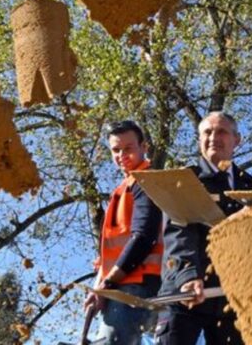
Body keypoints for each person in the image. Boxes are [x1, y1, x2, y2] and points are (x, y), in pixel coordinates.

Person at [155, 111, 252, 345]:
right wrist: (187, 275)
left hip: (231, 298)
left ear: (237, 140)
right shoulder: (183, 179)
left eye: (221, 132)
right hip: (185, 293)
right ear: (199, 140)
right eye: (207, 132)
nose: (214, 138)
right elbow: (180, 231)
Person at [84, 120, 166, 345]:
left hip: (138, 283)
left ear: (144, 147)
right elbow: (109, 254)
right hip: (121, 283)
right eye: (116, 150)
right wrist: (99, 286)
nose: (122, 155)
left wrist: (107, 285)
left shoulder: (147, 182)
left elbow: (144, 237)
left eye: (128, 148)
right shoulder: (123, 189)